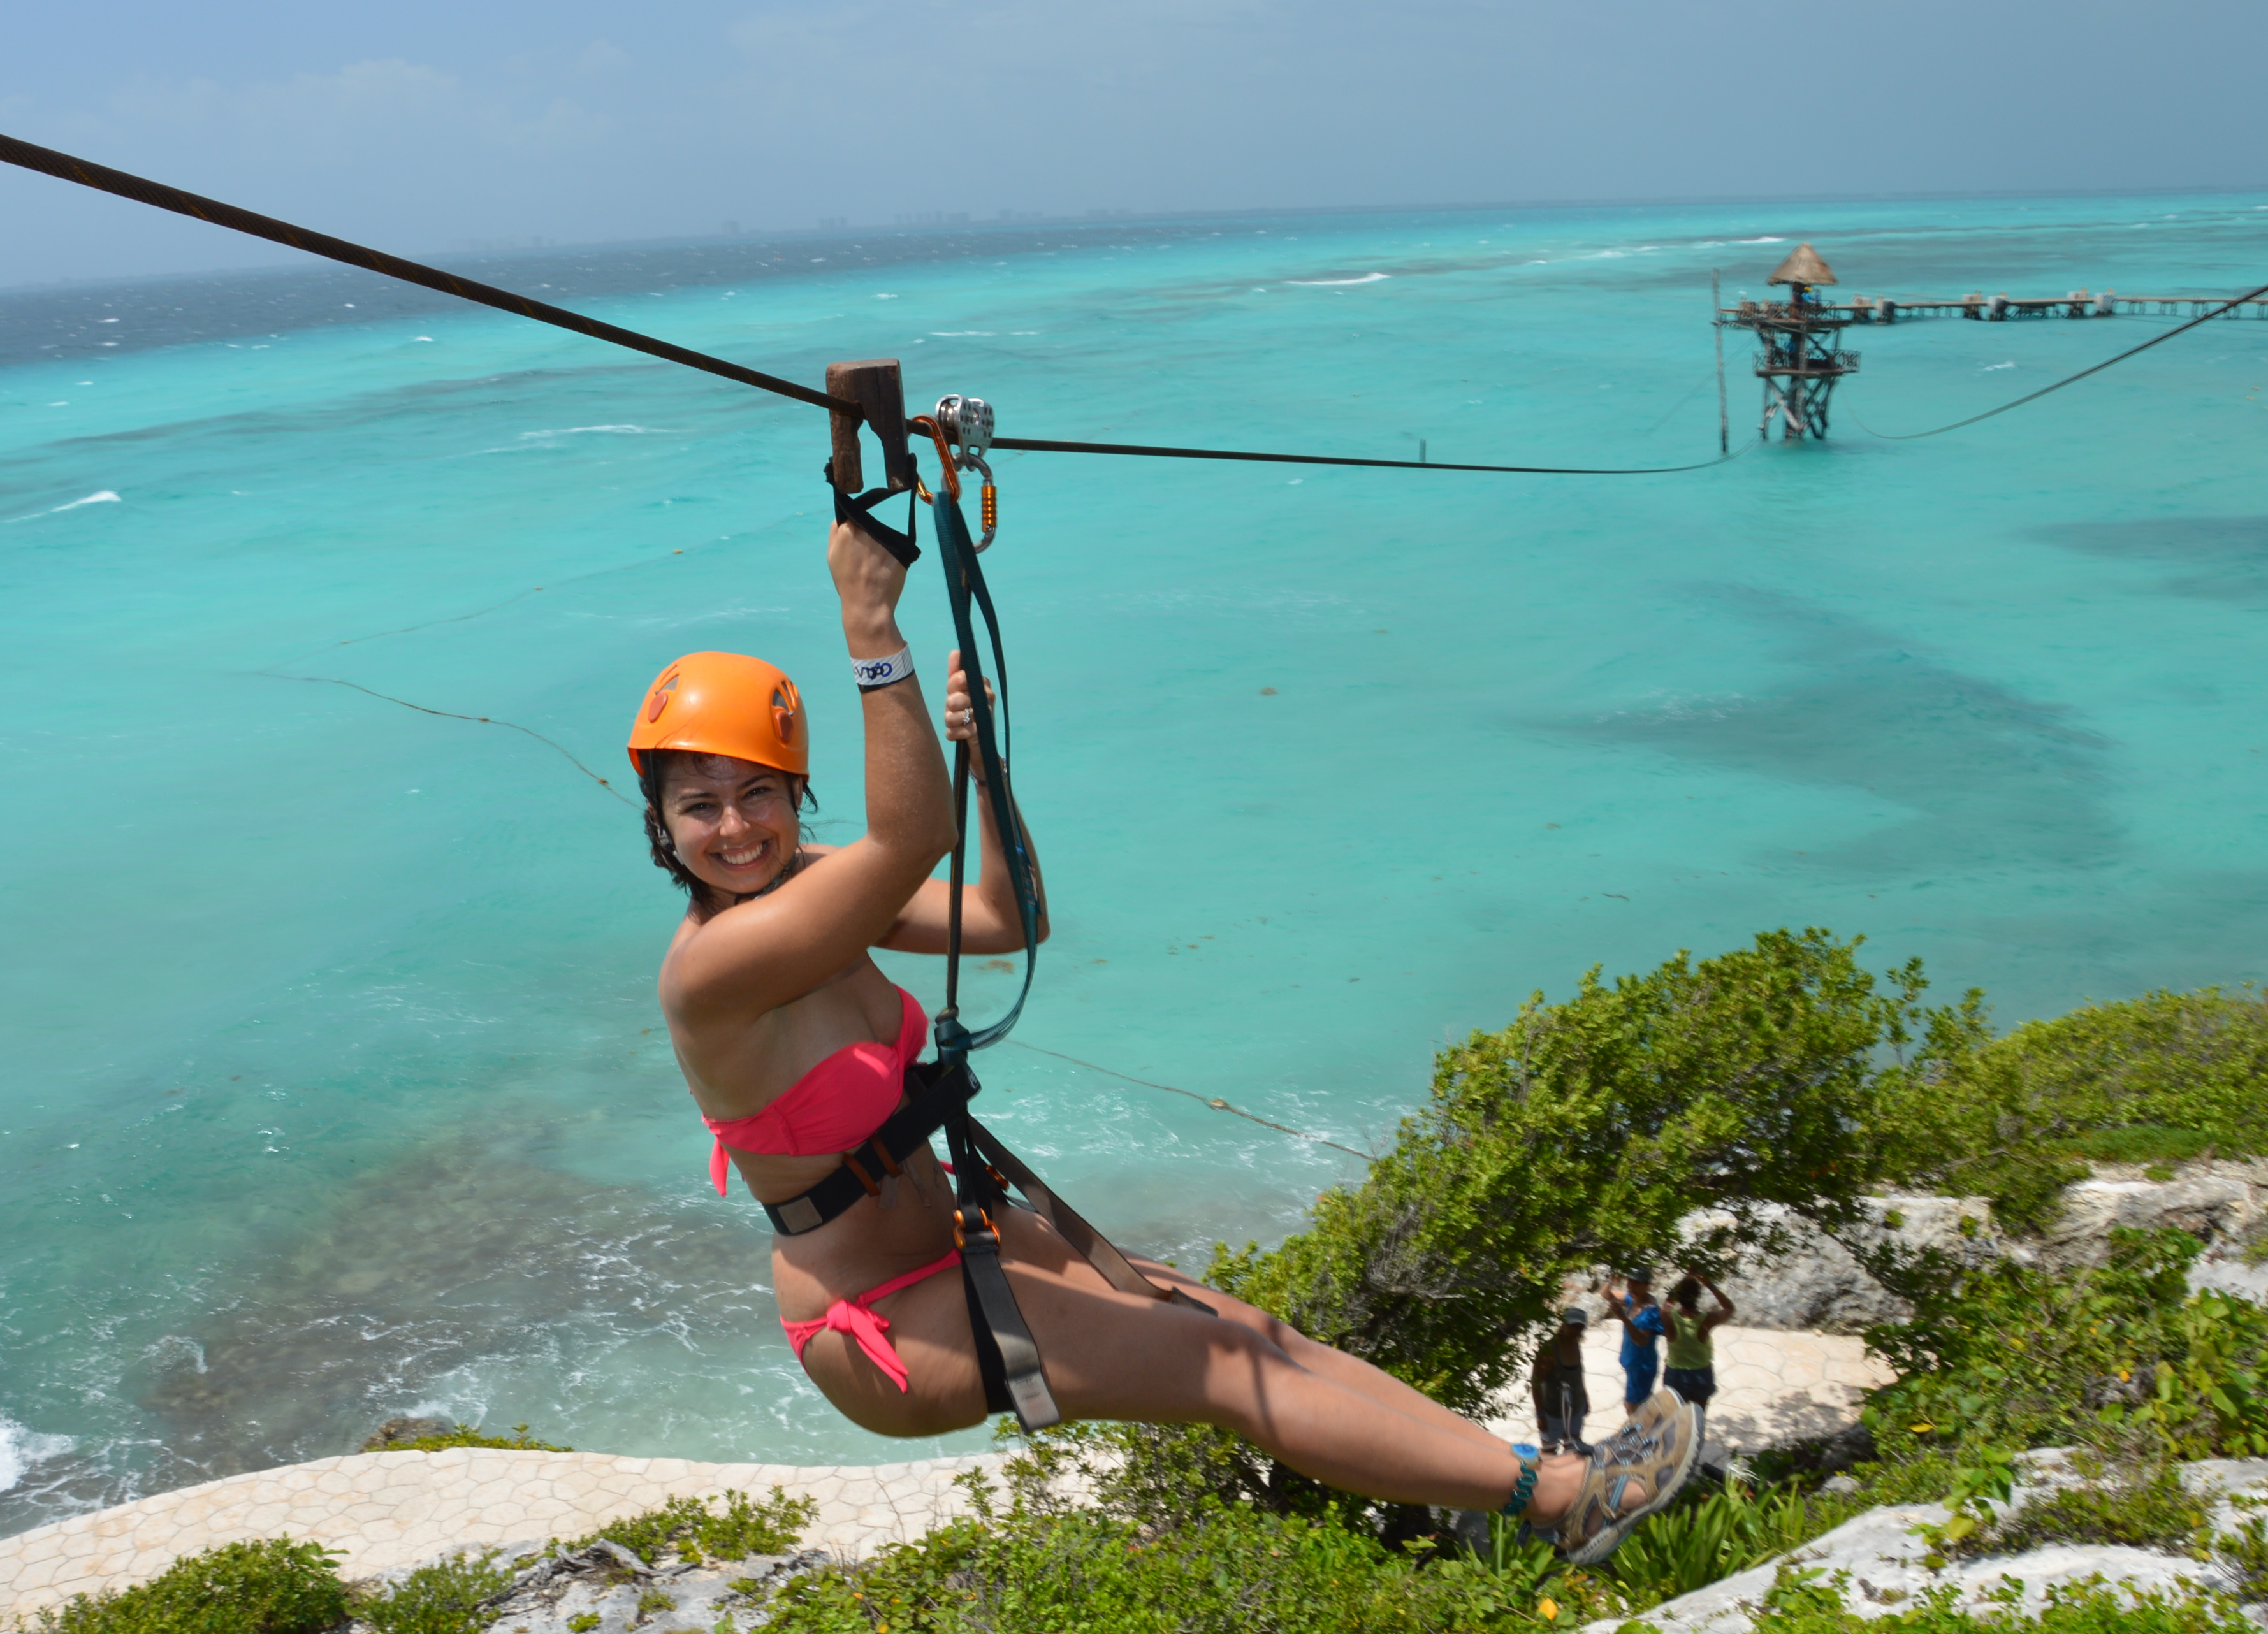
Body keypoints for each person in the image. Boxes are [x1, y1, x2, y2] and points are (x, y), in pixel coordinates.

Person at [634, 522, 1699, 1563]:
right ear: (661, 824)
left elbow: (1008, 921)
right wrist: (871, 625)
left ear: (791, 794)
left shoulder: (812, 889)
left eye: (757, 794)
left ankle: (1504, 1473)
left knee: (1250, 1332)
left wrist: (978, 761)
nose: (735, 828)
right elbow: (909, 836)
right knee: (1218, 1368)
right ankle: (1561, 1497)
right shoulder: (713, 972)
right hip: (879, 1323)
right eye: (700, 807)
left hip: (961, 1240)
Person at [1662, 1273, 1737, 1449]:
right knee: (1697, 1420)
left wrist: (1684, 1279)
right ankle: (1692, 1455)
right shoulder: (1707, 1319)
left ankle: (1673, 1455)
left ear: (1679, 1297)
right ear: (1698, 1296)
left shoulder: (1668, 1315)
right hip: (1701, 1375)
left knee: (1674, 1420)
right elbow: (1730, 1308)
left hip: (1675, 1375)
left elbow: (1667, 1304)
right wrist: (1708, 1283)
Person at [1529, 1308, 1592, 1455]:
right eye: (1573, 1326)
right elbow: (1536, 1383)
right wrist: (1540, 1415)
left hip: (1576, 1408)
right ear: (1563, 1324)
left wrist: (1585, 1399)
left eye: (1580, 1327)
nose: (1576, 1331)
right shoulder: (1549, 1350)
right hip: (1552, 1412)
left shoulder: (1576, 1344)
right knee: (1549, 1453)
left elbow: (1578, 1376)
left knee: (1574, 1449)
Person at [1604, 1269, 1667, 1413]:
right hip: (1633, 1364)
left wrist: (1624, 1318)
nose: (1631, 1286)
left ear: (1647, 1285)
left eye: (1636, 1283)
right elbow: (1605, 1294)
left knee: (1634, 1408)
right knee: (1633, 1406)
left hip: (1642, 1367)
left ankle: (1640, 1434)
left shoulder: (1650, 1312)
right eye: (1629, 1282)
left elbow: (1642, 1341)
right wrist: (1612, 1279)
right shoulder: (1632, 1300)